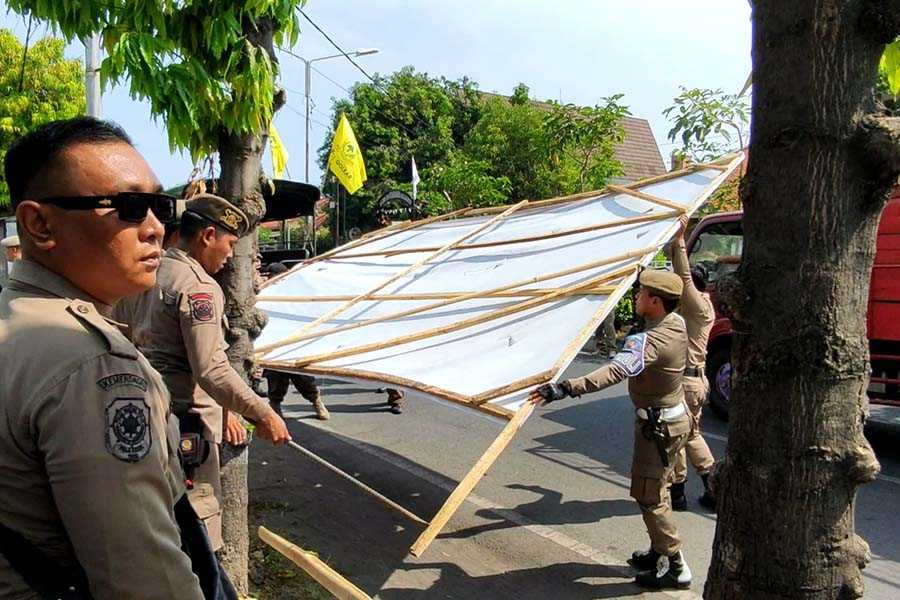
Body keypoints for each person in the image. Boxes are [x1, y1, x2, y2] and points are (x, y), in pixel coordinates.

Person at [0, 117, 216, 598]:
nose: (156, 228)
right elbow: (143, 579)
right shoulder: (89, 362)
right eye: (129, 207)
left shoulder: (16, 321)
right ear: (39, 224)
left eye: (161, 206)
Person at [141, 194, 291, 551]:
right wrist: (263, 412)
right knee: (198, 531)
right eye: (229, 243)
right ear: (208, 235)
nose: (229, 255)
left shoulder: (148, 272)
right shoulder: (198, 287)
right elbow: (210, 368)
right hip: (186, 425)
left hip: (147, 414)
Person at [530, 269, 693, 590]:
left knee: (649, 496)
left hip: (659, 428)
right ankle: (658, 549)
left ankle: (676, 565)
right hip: (671, 422)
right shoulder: (675, 323)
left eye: (642, 293)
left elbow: (614, 372)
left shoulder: (650, 341)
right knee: (657, 489)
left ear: (656, 301)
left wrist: (565, 388)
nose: (636, 297)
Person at [668, 215, 717, 511]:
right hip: (695, 380)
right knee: (687, 433)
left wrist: (680, 241)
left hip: (686, 382)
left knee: (681, 434)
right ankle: (687, 491)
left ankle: (690, 488)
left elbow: (683, 277)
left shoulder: (696, 305)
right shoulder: (704, 305)